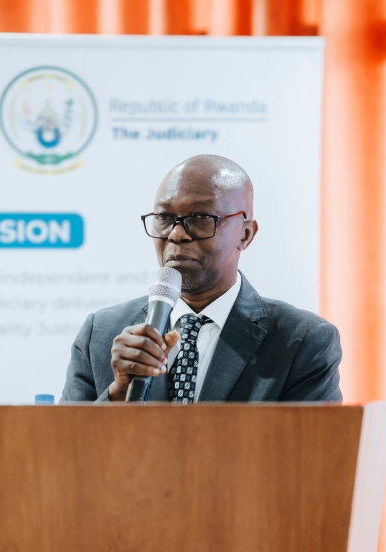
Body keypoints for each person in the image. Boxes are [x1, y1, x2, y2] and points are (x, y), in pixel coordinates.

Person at [61, 154, 342, 403]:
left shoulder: (301, 342)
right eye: (164, 217)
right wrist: (118, 393)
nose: (176, 234)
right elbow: (64, 453)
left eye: (201, 217)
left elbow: (309, 456)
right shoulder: (100, 334)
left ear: (245, 234)